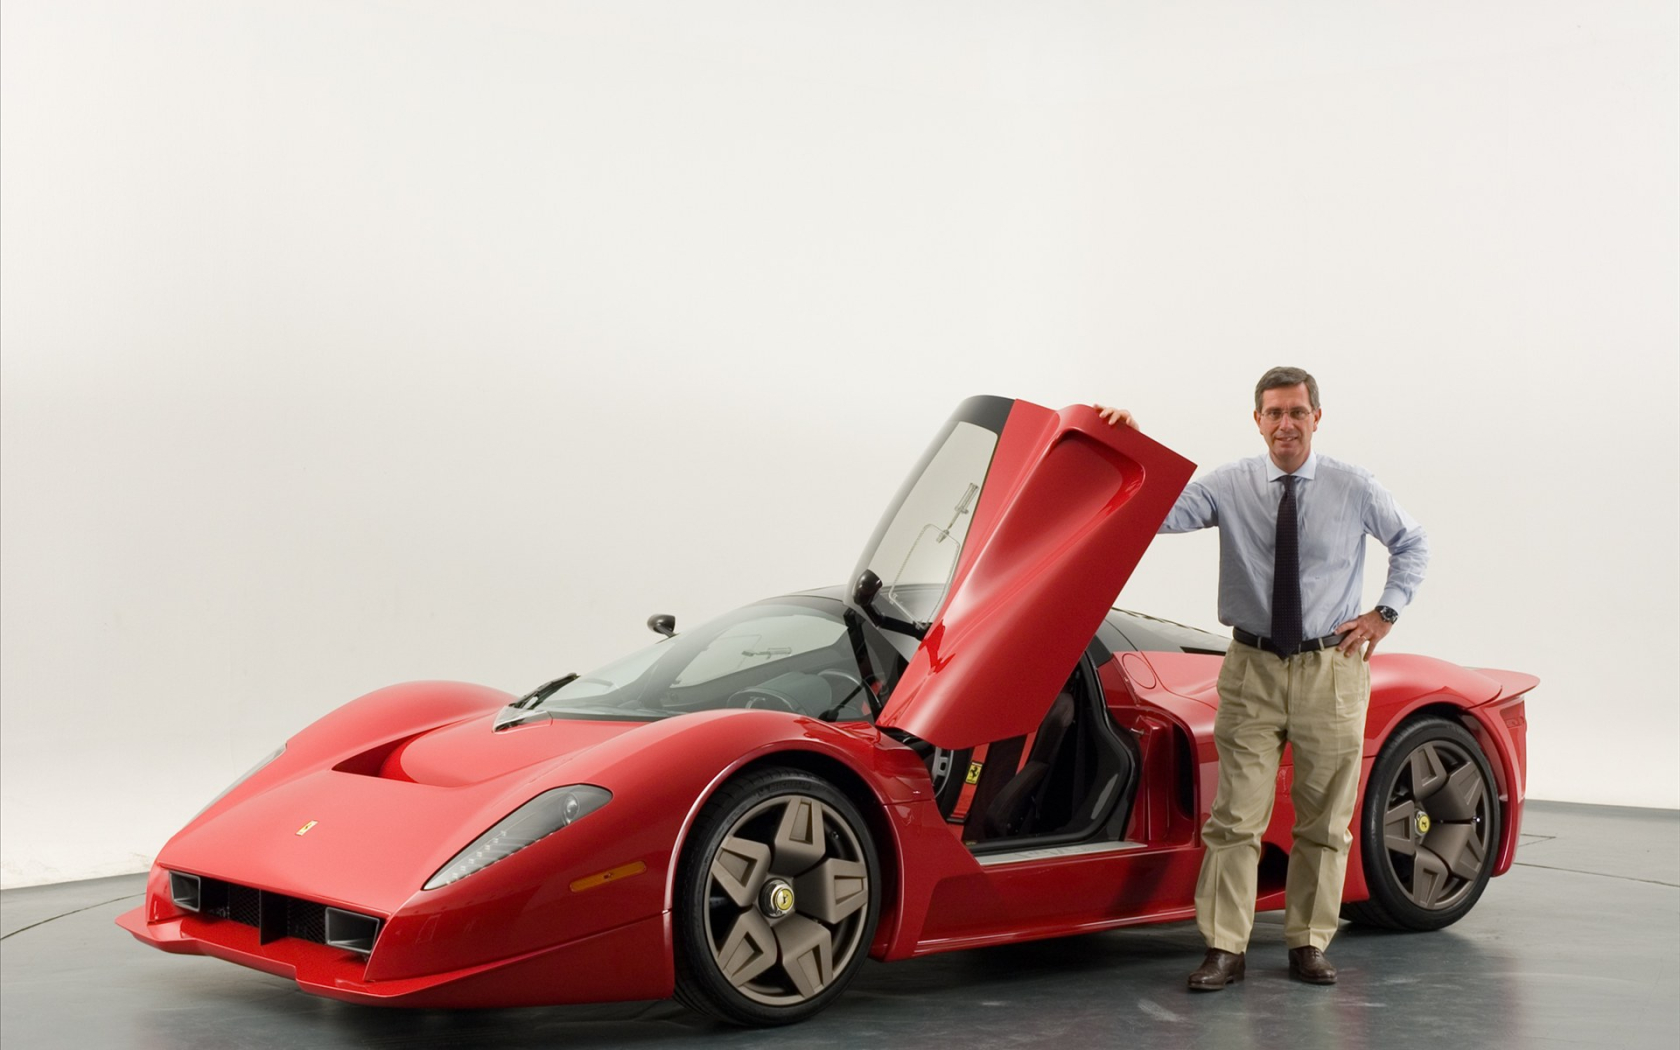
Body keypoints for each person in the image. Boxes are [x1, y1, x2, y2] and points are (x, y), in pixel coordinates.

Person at [1096, 366, 1428, 990]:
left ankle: (1308, 942)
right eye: (1274, 413)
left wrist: (1384, 614)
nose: (1285, 424)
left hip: (1330, 669)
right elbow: (1156, 513)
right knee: (1234, 818)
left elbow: (1412, 543)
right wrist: (1129, 445)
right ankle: (1225, 947)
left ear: (1316, 418)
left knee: (1324, 821)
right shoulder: (1229, 484)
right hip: (1251, 670)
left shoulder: (1354, 486)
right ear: (1257, 420)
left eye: (1297, 412)